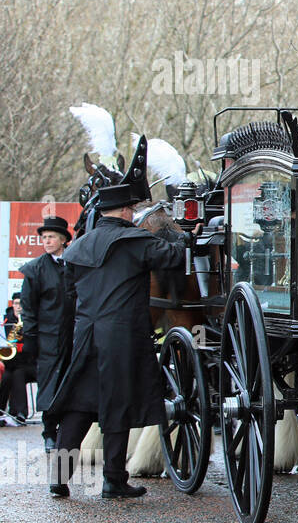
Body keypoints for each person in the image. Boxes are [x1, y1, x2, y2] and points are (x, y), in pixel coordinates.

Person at [45, 138, 191, 498]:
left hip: (86, 335)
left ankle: (59, 478)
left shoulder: (78, 247)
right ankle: (113, 480)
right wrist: (190, 235)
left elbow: (69, 293)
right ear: (126, 211)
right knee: (117, 404)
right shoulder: (133, 241)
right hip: (122, 336)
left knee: (79, 406)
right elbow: (173, 257)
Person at [19, 215, 74, 450]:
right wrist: (30, 338)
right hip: (48, 337)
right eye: (44, 237)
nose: (47, 241)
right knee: (49, 384)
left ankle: (69, 432)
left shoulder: (74, 265)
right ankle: (49, 431)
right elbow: (28, 308)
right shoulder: (35, 269)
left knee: (71, 382)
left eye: (52, 237)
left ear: (63, 240)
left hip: (74, 335)